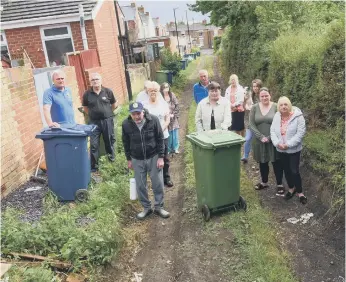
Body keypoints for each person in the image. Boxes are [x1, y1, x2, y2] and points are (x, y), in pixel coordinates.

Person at [122, 102, 170, 219]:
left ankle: (159, 207)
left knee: (157, 183)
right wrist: (129, 159)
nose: (136, 116)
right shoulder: (126, 124)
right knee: (140, 185)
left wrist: (161, 157)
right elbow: (126, 143)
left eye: (138, 113)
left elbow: (160, 138)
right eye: (134, 114)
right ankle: (146, 208)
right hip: (136, 158)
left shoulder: (153, 120)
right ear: (130, 114)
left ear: (143, 111)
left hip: (153, 156)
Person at [270, 96, 307, 204]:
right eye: (281, 105)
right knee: (286, 170)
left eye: (286, 104)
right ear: (278, 107)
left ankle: (300, 192)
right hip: (280, 149)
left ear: (289, 105)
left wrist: (288, 144)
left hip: (293, 149)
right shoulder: (277, 116)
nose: (283, 107)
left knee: (294, 171)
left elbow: (300, 133)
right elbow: (272, 130)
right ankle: (291, 188)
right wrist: (277, 143)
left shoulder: (298, 116)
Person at [249, 87, 284, 193]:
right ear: (259, 97)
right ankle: (264, 183)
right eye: (262, 96)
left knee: (276, 162)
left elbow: (281, 123)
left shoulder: (276, 107)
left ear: (270, 95)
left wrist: (269, 137)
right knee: (263, 162)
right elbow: (251, 124)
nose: (264, 98)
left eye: (266, 95)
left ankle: (280, 184)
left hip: (274, 140)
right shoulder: (254, 108)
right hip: (259, 141)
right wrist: (261, 137)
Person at [82, 73, 117, 172]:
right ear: (90, 82)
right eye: (93, 80)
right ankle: (94, 167)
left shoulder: (108, 91)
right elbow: (85, 107)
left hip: (107, 121)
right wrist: (93, 115)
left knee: (109, 141)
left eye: (97, 79)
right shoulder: (87, 94)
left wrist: (107, 113)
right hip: (93, 123)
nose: (95, 81)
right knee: (93, 144)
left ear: (101, 80)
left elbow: (114, 104)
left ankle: (112, 162)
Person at [143, 81, 174, 188]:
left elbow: (167, 119)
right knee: (153, 158)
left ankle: (166, 177)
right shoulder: (145, 106)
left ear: (158, 91)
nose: (153, 92)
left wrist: (160, 130)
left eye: (155, 90)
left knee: (165, 157)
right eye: (151, 90)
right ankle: (156, 180)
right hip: (150, 137)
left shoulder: (163, 104)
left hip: (163, 135)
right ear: (147, 91)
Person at [242, 79, 263, 163]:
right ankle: (245, 156)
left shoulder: (263, 95)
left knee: (260, 140)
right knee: (247, 138)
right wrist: (245, 102)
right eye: (254, 86)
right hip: (250, 120)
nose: (255, 88)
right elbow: (244, 106)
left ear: (260, 87)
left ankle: (261, 156)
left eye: (257, 86)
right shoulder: (250, 95)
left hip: (261, 121)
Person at [160, 82, 180, 154]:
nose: (166, 89)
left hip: (173, 117)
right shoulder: (160, 97)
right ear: (161, 89)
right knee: (168, 134)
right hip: (165, 118)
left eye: (167, 87)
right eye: (164, 87)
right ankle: (168, 149)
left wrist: (174, 114)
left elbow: (177, 105)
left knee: (175, 133)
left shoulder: (172, 95)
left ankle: (175, 148)